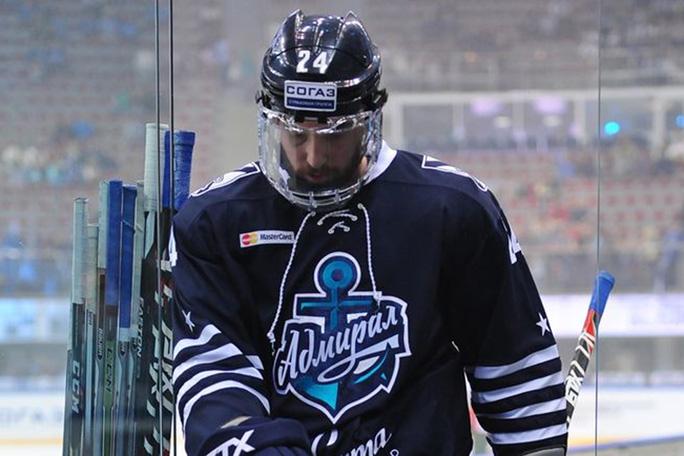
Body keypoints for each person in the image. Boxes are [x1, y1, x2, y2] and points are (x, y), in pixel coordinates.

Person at [171, 10, 568, 456]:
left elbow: (515, 368)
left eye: (334, 135)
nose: (313, 157)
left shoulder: (452, 209)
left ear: (369, 119)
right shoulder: (215, 222)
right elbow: (216, 382)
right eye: (296, 132)